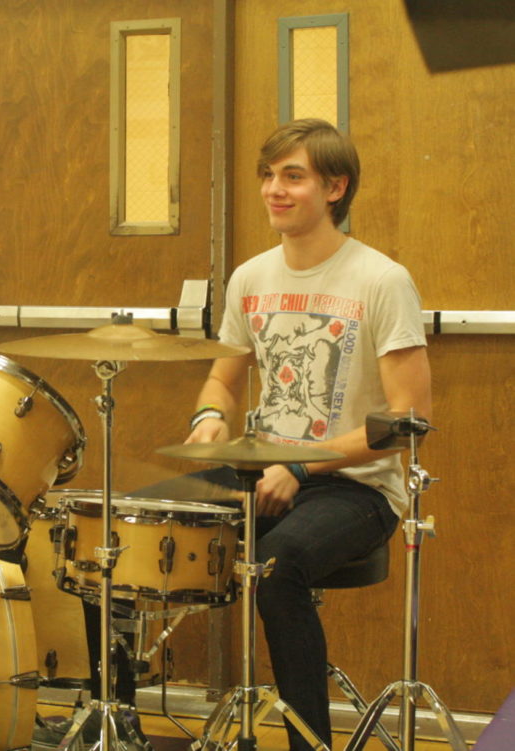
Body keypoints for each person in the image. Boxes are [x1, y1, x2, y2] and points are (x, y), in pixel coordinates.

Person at [183, 118, 431, 750]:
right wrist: (208, 418)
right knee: (122, 528)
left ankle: (308, 743)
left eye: (293, 176)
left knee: (277, 564)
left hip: (357, 487)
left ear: (335, 187)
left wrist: (297, 468)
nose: (275, 189)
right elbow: (222, 381)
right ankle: (116, 713)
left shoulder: (380, 279)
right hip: (262, 469)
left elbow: (404, 424)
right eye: (268, 176)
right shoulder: (250, 278)